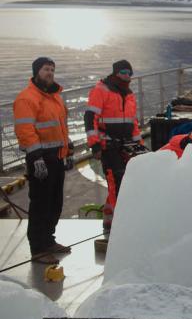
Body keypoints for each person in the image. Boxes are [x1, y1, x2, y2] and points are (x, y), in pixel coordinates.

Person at [13, 57, 73, 264]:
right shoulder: (27, 98)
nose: (50, 73)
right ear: (36, 72)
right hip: (41, 160)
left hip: (56, 157)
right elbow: (25, 130)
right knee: (40, 204)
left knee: (54, 203)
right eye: (46, 69)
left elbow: (62, 126)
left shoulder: (55, 97)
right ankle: (38, 249)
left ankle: (48, 240)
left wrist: (69, 151)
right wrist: (36, 158)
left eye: (52, 69)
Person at [84, 59, 143, 233]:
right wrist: (94, 144)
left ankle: (109, 219)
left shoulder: (129, 93)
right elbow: (90, 117)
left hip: (126, 145)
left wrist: (138, 143)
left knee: (125, 181)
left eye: (130, 73)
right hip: (107, 145)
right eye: (124, 72)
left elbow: (132, 122)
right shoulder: (102, 90)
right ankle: (121, 225)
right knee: (116, 181)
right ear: (115, 72)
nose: (127, 76)